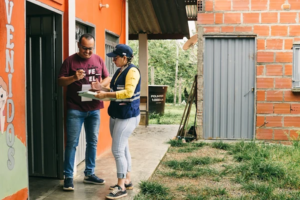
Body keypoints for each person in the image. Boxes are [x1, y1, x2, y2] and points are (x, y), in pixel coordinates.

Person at [58, 33, 110, 191]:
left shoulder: (98, 59)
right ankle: (68, 177)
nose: (88, 52)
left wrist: (100, 85)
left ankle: (89, 174)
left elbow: (108, 78)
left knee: (92, 142)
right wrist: (73, 77)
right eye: (85, 48)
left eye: (91, 48)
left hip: (94, 109)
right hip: (75, 109)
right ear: (78, 46)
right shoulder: (70, 61)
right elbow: (60, 81)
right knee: (72, 143)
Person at [92, 44, 140, 199]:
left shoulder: (132, 71)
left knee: (117, 150)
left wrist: (105, 96)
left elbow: (128, 93)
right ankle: (127, 180)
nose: (113, 60)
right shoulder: (120, 71)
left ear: (125, 57)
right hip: (117, 115)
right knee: (123, 148)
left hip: (127, 116)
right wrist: (101, 88)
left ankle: (121, 187)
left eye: (116, 57)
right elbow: (115, 91)